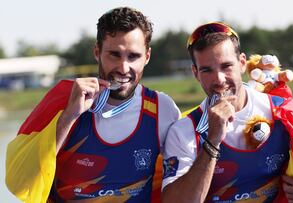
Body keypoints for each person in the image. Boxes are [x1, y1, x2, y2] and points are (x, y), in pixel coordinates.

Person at [6, 7, 180, 203]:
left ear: (147, 56)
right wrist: (70, 115)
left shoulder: (162, 109)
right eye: (114, 54)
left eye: (133, 56)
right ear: (97, 52)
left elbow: (185, 180)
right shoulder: (64, 100)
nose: (123, 68)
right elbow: (20, 180)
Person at [161, 22, 293, 203]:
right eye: (207, 70)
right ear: (195, 73)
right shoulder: (184, 131)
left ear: (242, 63)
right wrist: (213, 140)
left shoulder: (286, 111)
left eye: (226, 66)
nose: (219, 79)